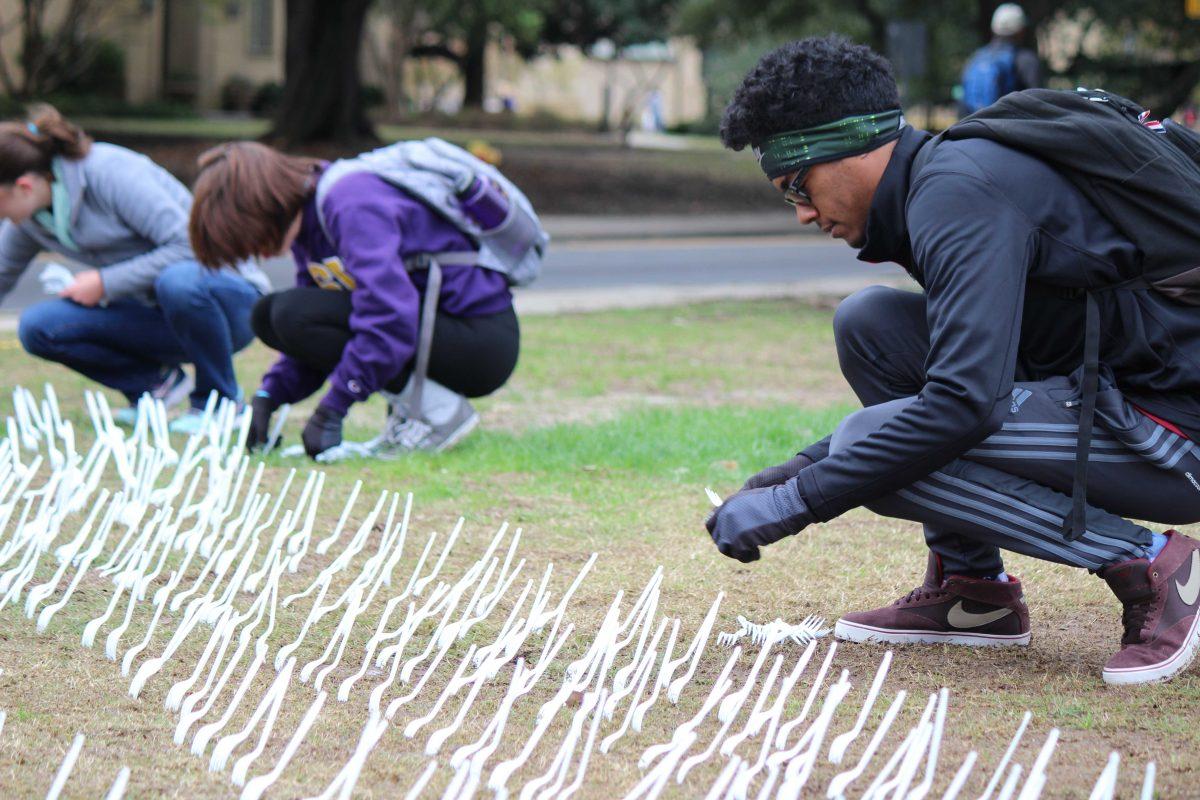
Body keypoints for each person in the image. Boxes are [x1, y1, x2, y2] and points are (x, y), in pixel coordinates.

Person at [707, 35, 1200, 686]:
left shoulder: (958, 193)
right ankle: (973, 592)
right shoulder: (942, 181)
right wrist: (795, 468)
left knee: (878, 452)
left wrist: (801, 497)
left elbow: (964, 404)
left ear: (852, 148)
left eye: (799, 185)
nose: (801, 213)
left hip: (1174, 428)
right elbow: (970, 373)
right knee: (871, 325)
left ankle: (1153, 565)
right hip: (1108, 383)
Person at [187, 140, 532, 461]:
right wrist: (269, 398)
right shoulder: (311, 227)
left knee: (288, 313)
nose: (256, 253)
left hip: (480, 341)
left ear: (258, 211)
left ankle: (437, 412)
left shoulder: (350, 203)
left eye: (245, 243)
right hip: (436, 331)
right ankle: (416, 408)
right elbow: (320, 329)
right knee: (270, 315)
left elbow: (389, 317)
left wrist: (334, 406)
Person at [0, 105, 268, 431]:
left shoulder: (109, 172)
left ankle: (222, 403)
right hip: (159, 314)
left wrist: (104, 282)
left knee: (178, 281)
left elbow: (189, 247)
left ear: (24, 186)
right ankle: (156, 386)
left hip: (228, 302)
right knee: (38, 326)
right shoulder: (30, 218)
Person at [959, 3, 1041, 116]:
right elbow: (1038, 106)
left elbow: (962, 102)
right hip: (1008, 131)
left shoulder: (975, 58)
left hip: (974, 128)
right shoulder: (1026, 60)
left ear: (993, 28)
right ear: (1021, 30)